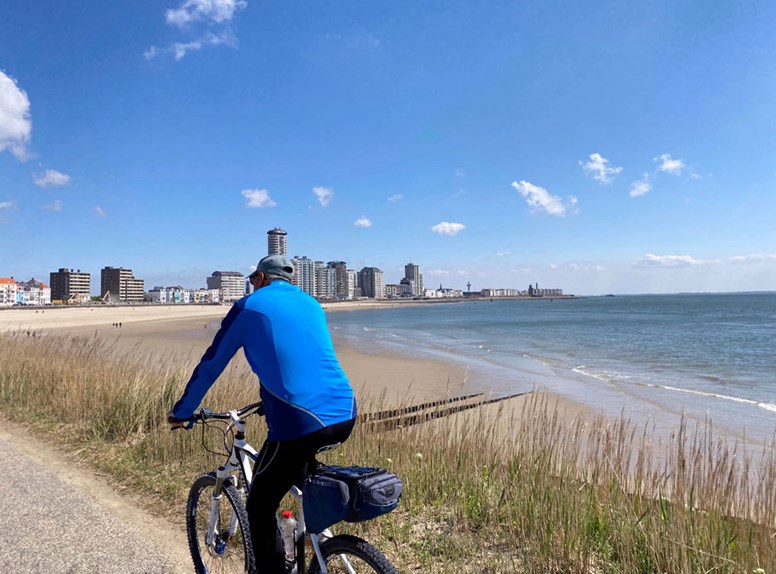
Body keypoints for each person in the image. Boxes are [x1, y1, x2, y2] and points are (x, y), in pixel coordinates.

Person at [168, 254, 356, 573]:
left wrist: (182, 412)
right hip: (345, 411)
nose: (252, 285)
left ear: (262, 278)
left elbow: (212, 364)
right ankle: (310, 538)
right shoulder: (311, 304)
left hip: (301, 421)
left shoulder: (249, 307)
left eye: (253, 279)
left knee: (258, 505)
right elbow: (296, 359)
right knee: (297, 478)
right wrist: (269, 401)